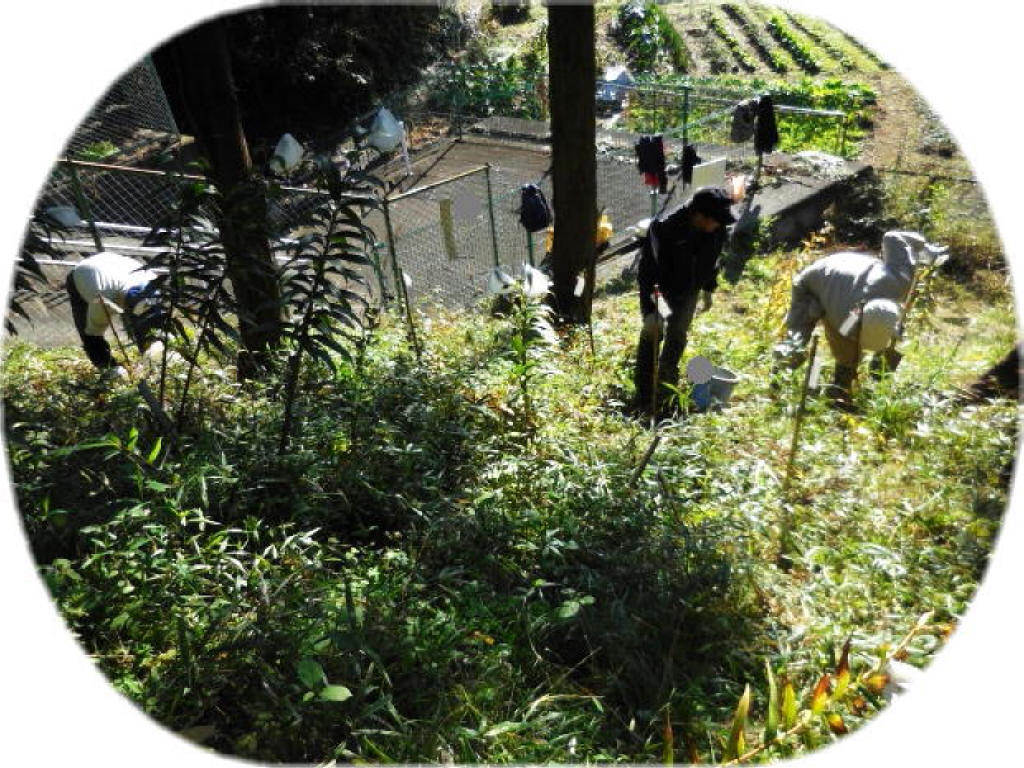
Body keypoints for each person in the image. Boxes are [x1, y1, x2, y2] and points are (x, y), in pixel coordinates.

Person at [773, 230, 948, 404]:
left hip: (850, 274)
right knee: (797, 341)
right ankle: (778, 385)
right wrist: (851, 361)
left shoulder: (900, 279)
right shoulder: (846, 319)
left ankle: (837, 389)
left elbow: (893, 237)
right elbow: (845, 335)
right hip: (813, 282)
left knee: (848, 351)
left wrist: (924, 248)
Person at [634, 186, 737, 414]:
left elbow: (712, 260)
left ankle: (665, 385)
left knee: (678, 335)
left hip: (689, 291)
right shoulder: (664, 229)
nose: (718, 225)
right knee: (653, 333)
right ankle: (644, 391)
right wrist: (651, 309)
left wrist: (709, 288)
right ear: (698, 215)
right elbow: (648, 274)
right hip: (661, 291)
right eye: (715, 221)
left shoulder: (716, 231)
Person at [65, 251, 163, 371]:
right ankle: (108, 369)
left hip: (111, 265)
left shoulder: (154, 282)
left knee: (150, 329)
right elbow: (94, 332)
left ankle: (156, 366)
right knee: (90, 335)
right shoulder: (103, 299)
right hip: (82, 275)